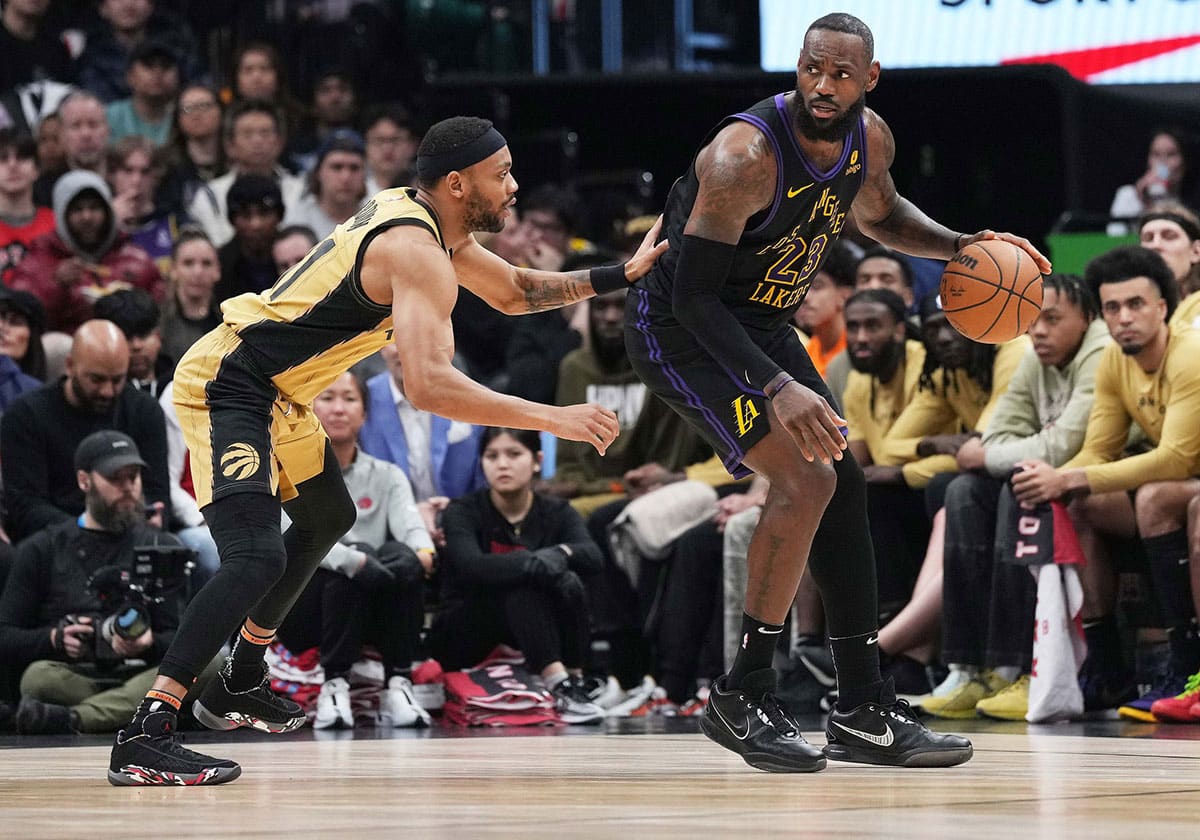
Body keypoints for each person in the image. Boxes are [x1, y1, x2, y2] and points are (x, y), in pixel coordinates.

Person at [107, 114, 666, 786]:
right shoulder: (416, 251)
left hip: (283, 393)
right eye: (503, 174)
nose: (515, 187)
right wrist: (555, 418)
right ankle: (148, 729)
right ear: (459, 184)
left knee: (325, 519)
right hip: (233, 382)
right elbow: (428, 387)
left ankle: (240, 676)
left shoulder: (430, 225)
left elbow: (517, 292)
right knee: (256, 555)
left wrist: (620, 273)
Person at [626, 13, 1050, 772]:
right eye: (812, 68)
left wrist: (967, 246)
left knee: (841, 482)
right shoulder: (742, 156)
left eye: (841, 74)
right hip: (685, 330)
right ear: (797, 65)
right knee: (804, 477)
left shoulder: (870, 140)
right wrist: (779, 384)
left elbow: (882, 216)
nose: (824, 86)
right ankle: (743, 692)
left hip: (761, 323)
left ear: (870, 79)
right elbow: (692, 300)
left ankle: (859, 708)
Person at [1010, 245, 1200, 722]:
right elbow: (1100, 447)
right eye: (1112, 308)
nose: (1124, 318)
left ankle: (1187, 668)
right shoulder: (1115, 360)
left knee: (1155, 498)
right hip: (1181, 484)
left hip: (1181, 482)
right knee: (1079, 503)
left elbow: (1178, 458)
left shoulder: (1190, 353)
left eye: (1136, 304)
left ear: (1164, 305)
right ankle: (1106, 665)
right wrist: (1059, 479)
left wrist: (1069, 474)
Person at [924, 274, 1108, 721]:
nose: (1038, 331)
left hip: (1093, 477)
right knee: (963, 491)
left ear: (1085, 318)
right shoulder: (1036, 355)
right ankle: (969, 668)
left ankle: (1019, 667)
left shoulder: (1100, 352)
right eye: (1032, 321)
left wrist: (993, 455)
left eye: (1051, 319)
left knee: (1018, 484)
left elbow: (1063, 444)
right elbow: (1003, 430)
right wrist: (1001, 453)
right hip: (1045, 472)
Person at [0, 431, 196, 735]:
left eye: (133, 476)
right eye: (115, 478)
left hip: (145, 670)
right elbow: (5, 635)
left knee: (210, 665)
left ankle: (74, 718)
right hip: (78, 674)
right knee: (37, 679)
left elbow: (187, 638)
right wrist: (54, 638)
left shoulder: (162, 547)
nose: (128, 487)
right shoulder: (43, 547)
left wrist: (148, 643)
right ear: (84, 481)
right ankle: (140, 713)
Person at [277, 372, 434, 730]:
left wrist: (420, 555)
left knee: (403, 555)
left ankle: (399, 683)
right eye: (327, 397)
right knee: (348, 564)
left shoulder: (387, 474)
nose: (338, 409)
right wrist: (356, 561)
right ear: (309, 409)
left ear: (364, 414)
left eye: (349, 399)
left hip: (377, 600)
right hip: (306, 604)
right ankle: (335, 685)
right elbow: (296, 538)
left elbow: (413, 530)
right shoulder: (286, 475)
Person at [431, 427, 605, 724]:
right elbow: (469, 565)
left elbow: (592, 556)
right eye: (492, 456)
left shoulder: (557, 511)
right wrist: (532, 561)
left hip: (535, 630)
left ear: (537, 460)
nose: (502, 464)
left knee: (568, 581)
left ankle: (573, 679)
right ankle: (558, 683)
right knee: (522, 584)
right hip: (467, 628)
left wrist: (560, 553)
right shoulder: (462, 511)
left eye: (514, 454)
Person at [1, 320, 170, 543]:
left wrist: (154, 517)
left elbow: (157, 493)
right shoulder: (26, 415)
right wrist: (89, 530)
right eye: (97, 379)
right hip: (53, 542)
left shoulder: (145, 411)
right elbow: (25, 507)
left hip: (129, 535)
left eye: (118, 380)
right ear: (70, 366)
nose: (108, 391)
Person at [11, 170, 164, 334]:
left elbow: (160, 311)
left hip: (129, 346)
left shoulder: (133, 257)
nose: (87, 217)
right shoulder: (41, 257)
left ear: (108, 212)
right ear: (62, 215)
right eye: (77, 209)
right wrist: (56, 285)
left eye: (94, 207)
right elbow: (18, 315)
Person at [1108, 128, 1198, 235]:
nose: (1162, 162)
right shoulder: (1128, 195)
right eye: (1156, 154)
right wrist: (1143, 201)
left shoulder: (1193, 201)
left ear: (1185, 162)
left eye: (1171, 154)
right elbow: (1114, 235)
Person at [282, 129, 368, 239]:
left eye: (354, 168)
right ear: (318, 172)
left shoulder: (378, 217)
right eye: (337, 167)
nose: (346, 177)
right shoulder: (297, 220)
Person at [158, 226, 222, 365]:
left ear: (217, 270)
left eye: (206, 263)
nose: (198, 272)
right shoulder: (158, 325)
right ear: (173, 269)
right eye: (188, 263)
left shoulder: (230, 321)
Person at [0, 128, 55, 284]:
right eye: (3, 159)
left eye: (22, 157)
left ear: (37, 169)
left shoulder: (56, 224)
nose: (12, 165)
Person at [104, 39, 180, 147]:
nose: (158, 72)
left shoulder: (184, 117)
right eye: (148, 65)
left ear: (177, 77)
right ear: (130, 76)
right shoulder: (109, 117)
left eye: (165, 65)